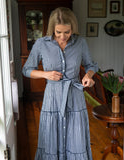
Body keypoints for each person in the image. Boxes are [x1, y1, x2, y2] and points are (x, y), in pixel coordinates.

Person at [22, 7, 98, 160]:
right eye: (58, 32)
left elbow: (92, 65)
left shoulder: (81, 43)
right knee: (51, 134)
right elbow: (26, 70)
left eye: (67, 32)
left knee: (76, 136)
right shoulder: (41, 44)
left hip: (75, 96)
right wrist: (46, 74)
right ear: (52, 29)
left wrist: (89, 76)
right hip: (53, 97)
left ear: (73, 29)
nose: (63, 37)